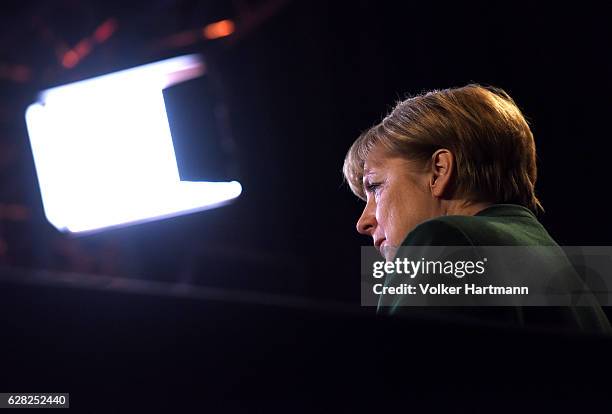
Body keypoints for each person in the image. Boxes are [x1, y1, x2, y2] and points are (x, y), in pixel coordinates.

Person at [343, 84, 611, 333]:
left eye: (375, 186)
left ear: (438, 172)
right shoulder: (572, 280)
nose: (363, 222)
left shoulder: (446, 241)